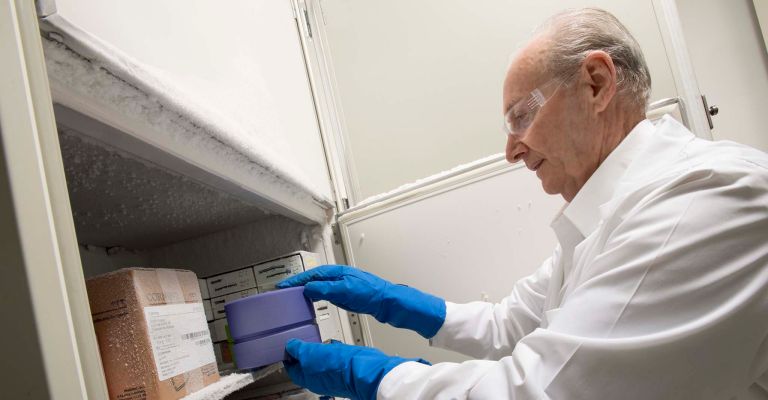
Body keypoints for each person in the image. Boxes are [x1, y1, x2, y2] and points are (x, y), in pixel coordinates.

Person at [277, 7, 768, 400]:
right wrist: (394, 302)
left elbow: (539, 391)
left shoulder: (702, 199)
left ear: (596, 82)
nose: (512, 149)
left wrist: (375, 377)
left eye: (521, 117)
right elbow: (511, 323)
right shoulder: (612, 216)